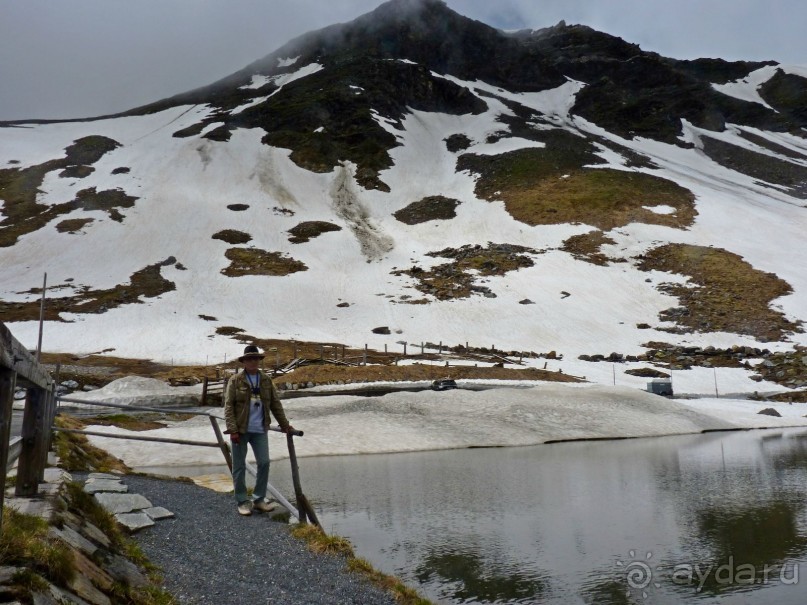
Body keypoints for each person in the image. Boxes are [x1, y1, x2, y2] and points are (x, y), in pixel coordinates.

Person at [224, 345, 295, 516]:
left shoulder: (266, 380)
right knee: (239, 467)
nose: (253, 361)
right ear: (244, 361)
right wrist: (232, 429)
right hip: (240, 431)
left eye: (256, 358)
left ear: (259, 361)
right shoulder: (235, 380)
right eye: (249, 359)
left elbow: (275, 404)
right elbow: (228, 407)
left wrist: (285, 425)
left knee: (264, 463)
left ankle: (259, 499)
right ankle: (242, 501)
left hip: (260, 429)